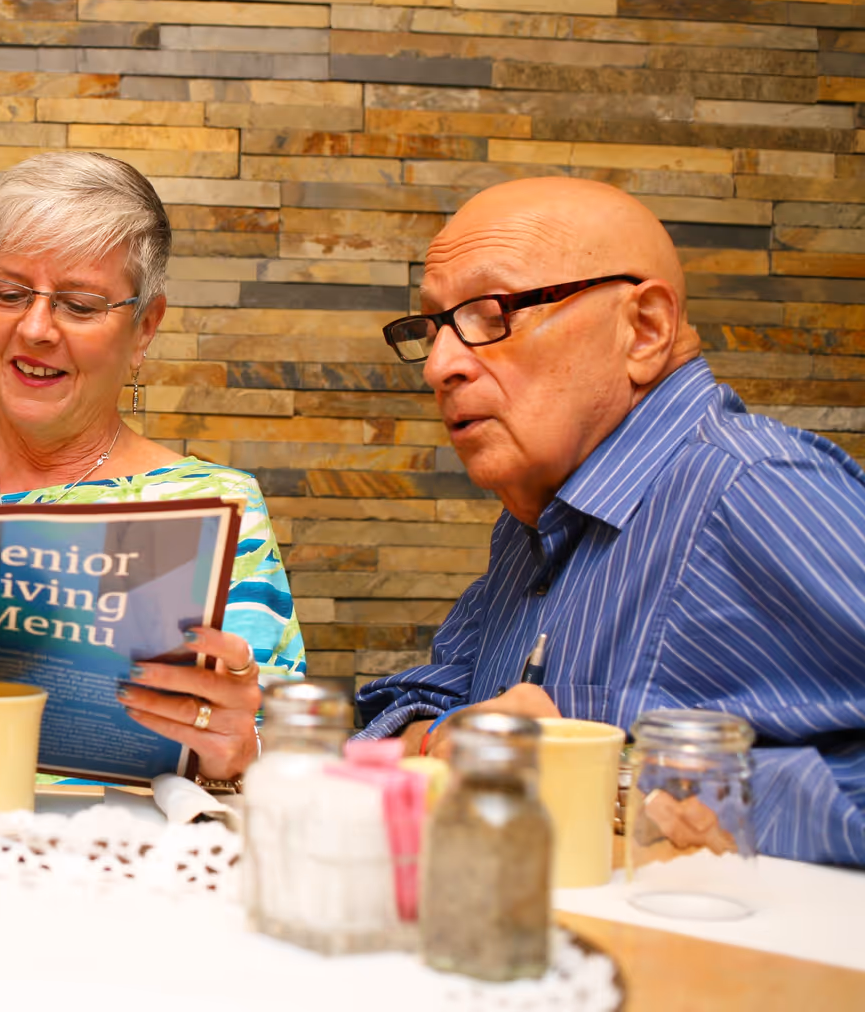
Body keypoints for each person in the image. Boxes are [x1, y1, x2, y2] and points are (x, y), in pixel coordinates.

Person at [355, 176, 865, 866]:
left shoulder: (755, 487)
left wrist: (611, 778)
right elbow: (440, 697)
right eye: (436, 327)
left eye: (490, 312)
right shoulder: (535, 517)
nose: (440, 366)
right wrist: (439, 736)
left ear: (645, 329)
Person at [0, 151, 304, 783]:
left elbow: (288, 766)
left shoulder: (220, 512)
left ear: (144, 329)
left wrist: (243, 754)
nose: (36, 328)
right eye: (11, 293)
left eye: (79, 304)